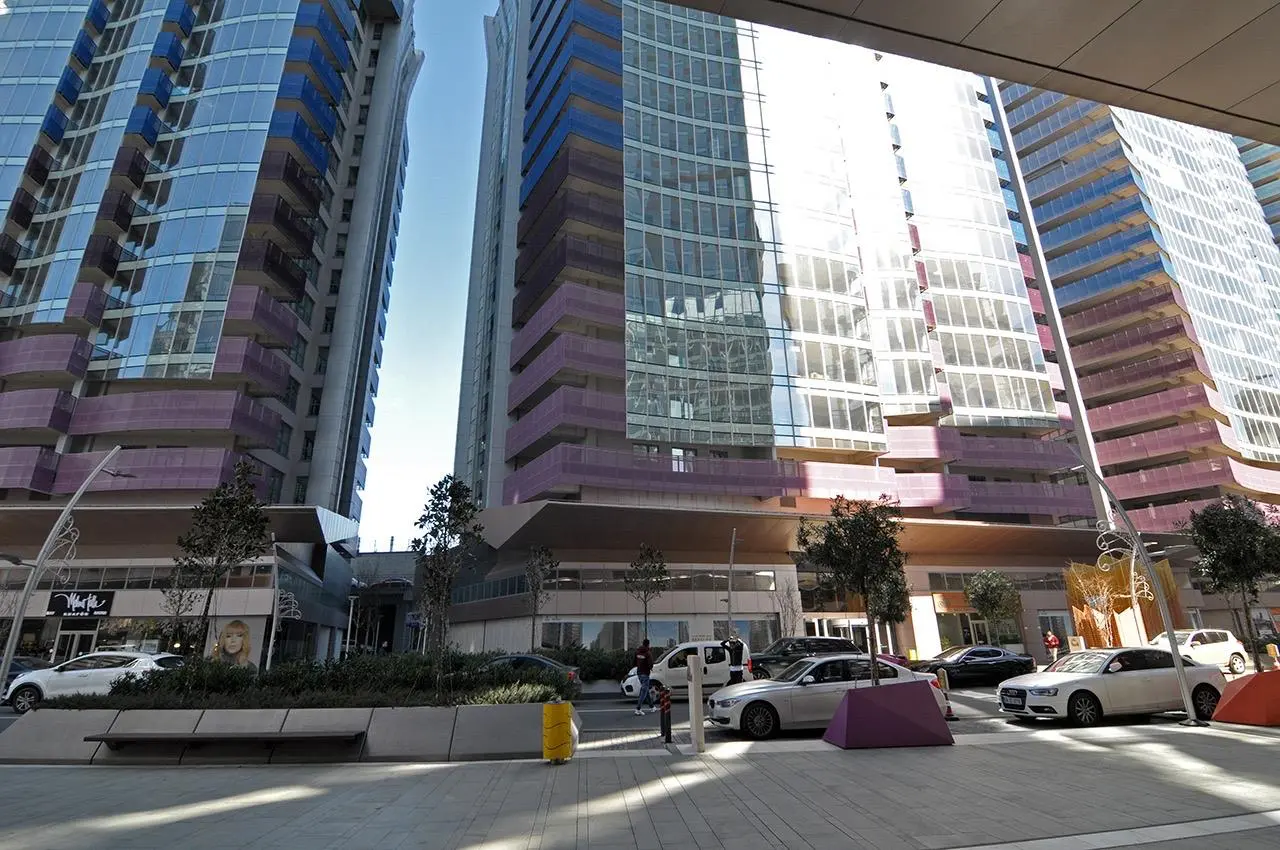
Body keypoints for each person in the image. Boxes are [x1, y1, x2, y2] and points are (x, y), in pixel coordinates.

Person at [633, 639, 654, 716]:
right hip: (645, 673)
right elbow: (650, 664)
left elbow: (634, 662)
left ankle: (652, 707)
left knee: (645, 690)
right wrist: (650, 668)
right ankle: (638, 709)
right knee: (644, 691)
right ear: (648, 644)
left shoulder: (637, 652)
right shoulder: (648, 653)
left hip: (639, 673)